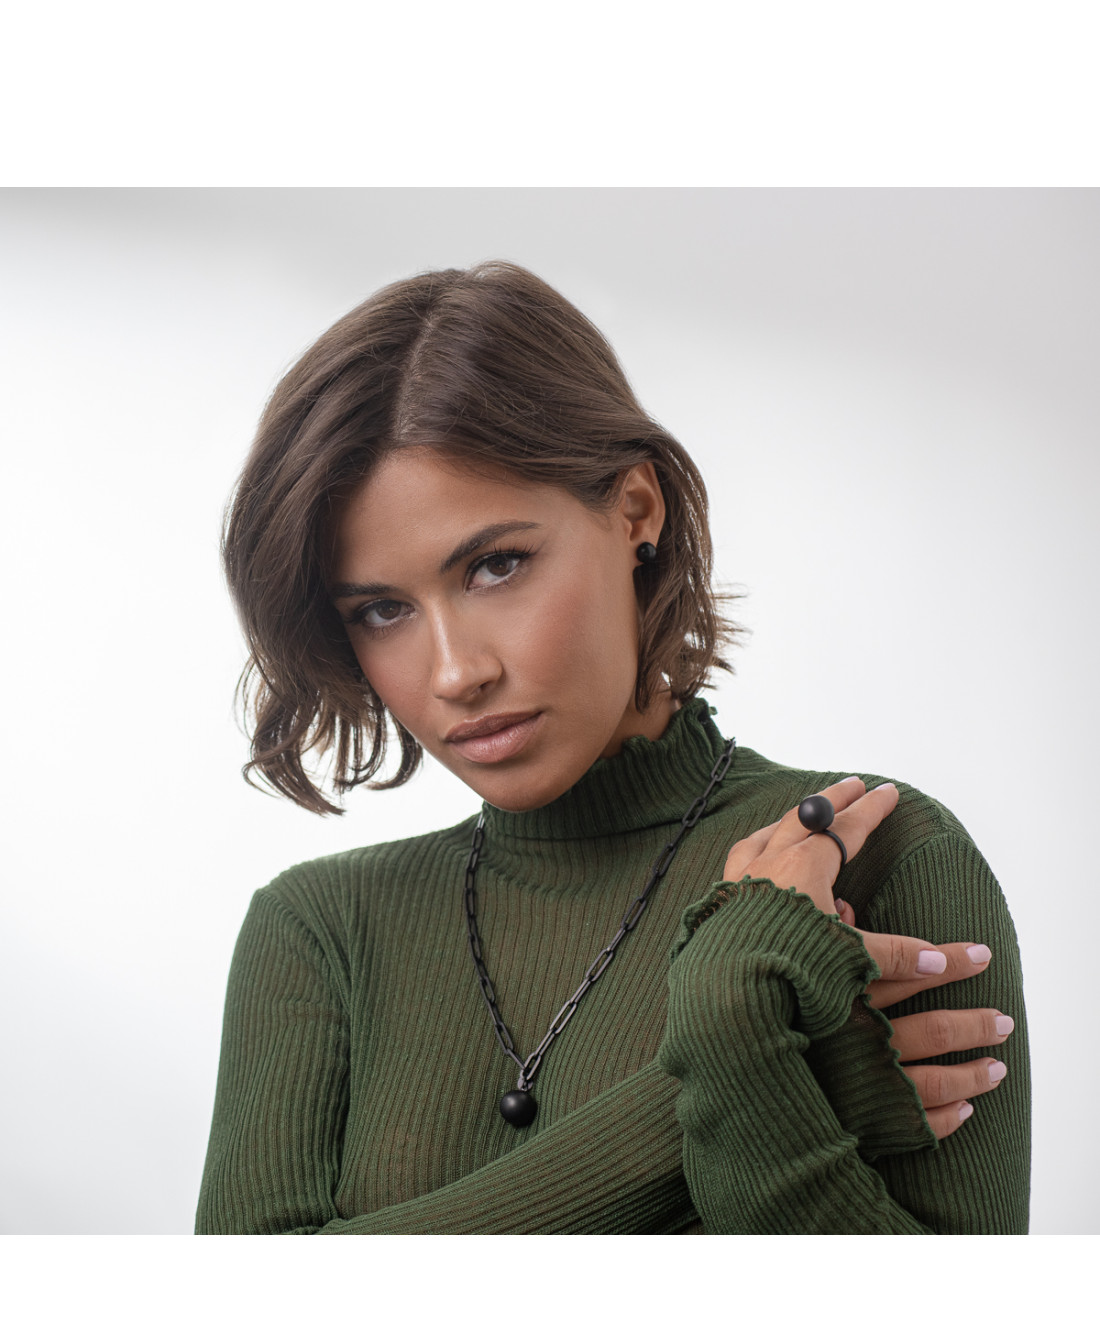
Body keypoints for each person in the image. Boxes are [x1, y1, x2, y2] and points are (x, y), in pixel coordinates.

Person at [196, 260, 1030, 1234]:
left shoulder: (868, 861)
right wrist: (724, 1065)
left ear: (636, 510)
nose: (455, 671)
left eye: (495, 565)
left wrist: (731, 1001)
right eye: (381, 610)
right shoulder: (321, 932)